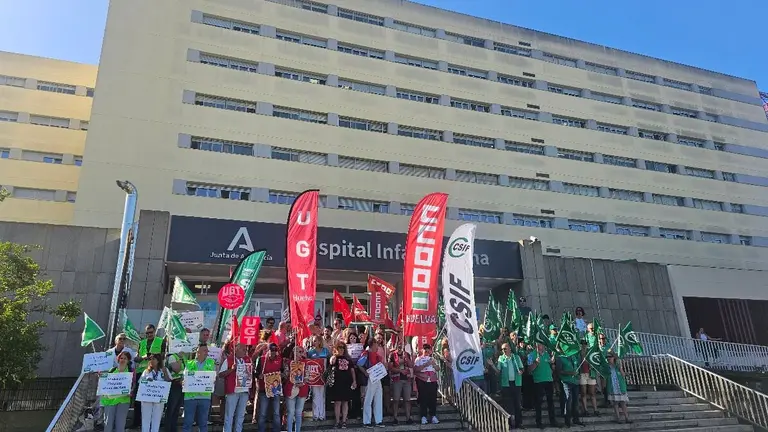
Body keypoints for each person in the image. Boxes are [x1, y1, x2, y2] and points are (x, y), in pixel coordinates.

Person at [132, 324, 166, 429]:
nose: (149, 334)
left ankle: (156, 422)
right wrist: (144, 357)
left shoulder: (161, 341)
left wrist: (155, 357)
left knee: (156, 398)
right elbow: (136, 358)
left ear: (155, 331)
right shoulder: (141, 342)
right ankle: (137, 422)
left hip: (156, 371)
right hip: (142, 372)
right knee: (139, 399)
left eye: (151, 332)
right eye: (147, 333)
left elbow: (164, 355)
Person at [182, 344, 216, 432]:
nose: (207, 353)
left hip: (205, 397)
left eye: (207, 351)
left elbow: (214, 377)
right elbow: (185, 378)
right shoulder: (189, 363)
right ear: (198, 352)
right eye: (205, 350)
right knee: (188, 423)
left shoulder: (211, 362)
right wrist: (184, 381)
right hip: (190, 397)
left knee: (203, 424)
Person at [219, 344, 252, 432]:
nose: (245, 351)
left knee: (241, 415)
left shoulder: (248, 359)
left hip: (244, 391)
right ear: (236, 350)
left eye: (246, 349)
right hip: (232, 391)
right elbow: (220, 374)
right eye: (243, 349)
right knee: (229, 415)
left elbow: (251, 373)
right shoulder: (229, 360)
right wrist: (231, 369)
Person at [528, 343, 559, 428]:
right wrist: (535, 363)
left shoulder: (546, 354)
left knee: (550, 402)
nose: (541, 345)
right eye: (539, 344)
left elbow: (551, 366)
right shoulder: (531, 355)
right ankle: (539, 422)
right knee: (538, 403)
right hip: (538, 381)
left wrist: (552, 364)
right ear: (536, 345)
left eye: (542, 344)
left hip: (549, 380)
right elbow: (529, 370)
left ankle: (553, 421)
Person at [102, 351, 134, 432]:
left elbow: (133, 384)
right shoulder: (112, 370)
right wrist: (101, 377)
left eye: (125, 358)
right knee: (108, 424)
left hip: (124, 400)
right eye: (121, 358)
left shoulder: (131, 371)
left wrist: (131, 391)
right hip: (110, 400)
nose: (122, 360)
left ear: (128, 360)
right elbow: (105, 384)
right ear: (118, 359)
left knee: (120, 424)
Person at [139, 354, 172, 432]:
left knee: (156, 419)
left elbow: (169, 382)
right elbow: (140, 383)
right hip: (147, 398)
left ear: (158, 361)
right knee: (145, 419)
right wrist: (147, 382)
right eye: (150, 359)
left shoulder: (164, 370)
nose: (151, 360)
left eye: (153, 359)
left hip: (159, 398)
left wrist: (165, 372)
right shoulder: (146, 371)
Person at [494, 343, 523, 429]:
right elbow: (498, 371)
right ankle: (509, 424)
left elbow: (521, 368)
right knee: (507, 404)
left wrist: (521, 371)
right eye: (502, 349)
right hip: (506, 384)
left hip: (516, 383)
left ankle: (519, 423)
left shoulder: (516, 357)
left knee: (517, 403)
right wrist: (492, 365)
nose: (504, 350)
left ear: (509, 348)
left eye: (505, 348)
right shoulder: (501, 358)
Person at [255, 343, 283, 432]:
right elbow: (255, 373)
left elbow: (282, 372)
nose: (273, 352)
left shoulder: (280, 360)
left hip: (275, 390)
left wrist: (282, 375)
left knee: (276, 413)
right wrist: (259, 375)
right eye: (272, 350)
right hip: (264, 390)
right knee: (263, 413)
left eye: (275, 350)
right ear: (268, 350)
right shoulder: (261, 360)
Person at [329, 342, 357, 429]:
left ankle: (344, 421)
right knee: (337, 402)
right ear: (336, 349)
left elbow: (352, 371)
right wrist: (333, 357)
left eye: (343, 348)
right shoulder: (334, 358)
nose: (341, 349)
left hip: (347, 382)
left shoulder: (348, 359)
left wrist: (354, 381)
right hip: (337, 383)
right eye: (339, 348)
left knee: (345, 402)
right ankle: (337, 421)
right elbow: (330, 364)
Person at [359, 339, 384, 428]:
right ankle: (366, 421)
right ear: (372, 344)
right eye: (376, 344)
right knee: (368, 399)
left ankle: (378, 420)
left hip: (377, 378)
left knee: (378, 398)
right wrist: (365, 372)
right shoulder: (366, 353)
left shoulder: (376, 355)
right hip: (370, 379)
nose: (377, 346)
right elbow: (359, 364)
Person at [284, 345, 310, 432]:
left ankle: (297, 430)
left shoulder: (305, 363)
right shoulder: (288, 363)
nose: (299, 353)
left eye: (300, 352)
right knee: (291, 412)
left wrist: (302, 383)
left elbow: (307, 376)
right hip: (291, 389)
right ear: (293, 352)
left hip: (302, 389)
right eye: (297, 351)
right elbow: (285, 375)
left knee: (298, 413)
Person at [388, 341, 413, 425]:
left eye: (401, 344)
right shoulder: (392, 355)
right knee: (396, 399)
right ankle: (395, 417)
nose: (399, 346)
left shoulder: (406, 354)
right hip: (397, 379)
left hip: (406, 380)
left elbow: (411, 365)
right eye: (398, 344)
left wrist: (407, 358)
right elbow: (390, 367)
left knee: (407, 400)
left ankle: (408, 417)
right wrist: (400, 370)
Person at [413, 343, 439, 425]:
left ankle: (433, 416)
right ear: (422, 350)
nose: (427, 351)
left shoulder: (432, 359)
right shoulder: (418, 359)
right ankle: (423, 416)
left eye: (428, 349)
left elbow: (438, 369)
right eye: (425, 349)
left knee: (433, 399)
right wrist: (425, 364)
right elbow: (416, 369)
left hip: (432, 381)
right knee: (423, 399)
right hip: (422, 381)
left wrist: (434, 364)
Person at [557, 351, 584, 428]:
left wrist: (578, 375)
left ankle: (576, 419)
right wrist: (570, 373)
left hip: (575, 382)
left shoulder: (574, 357)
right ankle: (567, 421)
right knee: (568, 402)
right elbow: (559, 371)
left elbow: (577, 368)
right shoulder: (560, 358)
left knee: (576, 401)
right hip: (565, 382)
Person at [307, 335, 329, 421]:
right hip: (314, 377)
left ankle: (322, 415)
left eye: (315, 340)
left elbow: (329, 362)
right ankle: (315, 415)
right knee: (316, 396)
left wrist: (326, 373)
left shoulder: (325, 351)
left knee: (322, 396)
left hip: (323, 376)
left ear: (320, 341)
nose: (314, 342)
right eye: (313, 341)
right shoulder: (310, 352)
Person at [605, 352, 630, 424]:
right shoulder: (606, 367)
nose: (608, 358)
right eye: (607, 357)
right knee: (615, 403)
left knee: (623, 403)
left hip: (620, 386)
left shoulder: (617, 366)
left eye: (610, 357)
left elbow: (623, 375)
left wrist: (620, 368)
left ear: (613, 358)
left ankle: (627, 418)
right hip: (612, 387)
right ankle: (618, 418)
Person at [164, 349, 185, 432]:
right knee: (171, 409)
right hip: (174, 385)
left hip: (181, 385)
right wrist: (180, 358)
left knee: (176, 409)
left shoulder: (183, 357)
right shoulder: (172, 356)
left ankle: (173, 429)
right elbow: (177, 369)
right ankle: (168, 429)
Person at [578, 341, 598, 417]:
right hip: (582, 373)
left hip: (590, 373)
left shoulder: (590, 352)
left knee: (592, 393)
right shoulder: (578, 353)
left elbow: (595, 361)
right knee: (583, 393)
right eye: (582, 344)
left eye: (585, 344)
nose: (584, 345)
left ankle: (595, 409)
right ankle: (585, 410)